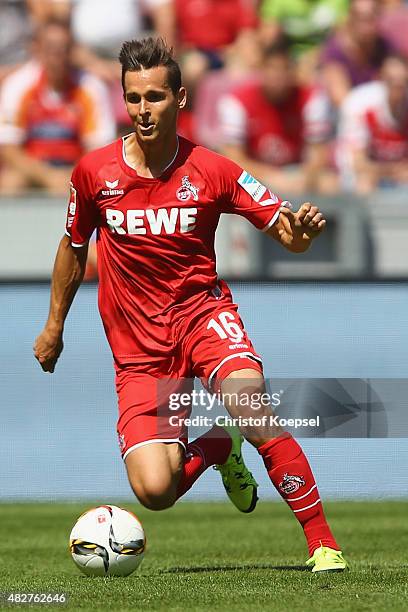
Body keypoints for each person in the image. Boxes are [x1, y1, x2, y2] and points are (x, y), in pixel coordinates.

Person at [34, 37, 348, 573]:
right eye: (133, 98)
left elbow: (287, 232)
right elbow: (74, 246)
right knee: (156, 490)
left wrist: (302, 235)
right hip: (139, 351)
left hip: (203, 319)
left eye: (155, 97)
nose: (143, 110)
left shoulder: (213, 169)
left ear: (180, 99)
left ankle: (323, 544)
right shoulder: (94, 173)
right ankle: (218, 448)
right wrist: (54, 325)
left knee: (254, 408)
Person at [0, 19, 115, 195]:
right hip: (31, 170)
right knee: (10, 183)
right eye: (51, 49)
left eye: (64, 49)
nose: (58, 56)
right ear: (37, 49)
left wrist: (70, 175)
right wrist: (47, 176)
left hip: (74, 168)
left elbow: (98, 149)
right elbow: (9, 149)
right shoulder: (18, 85)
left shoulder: (90, 87)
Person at [218, 40, 338, 194]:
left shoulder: (312, 99)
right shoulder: (237, 101)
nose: (278, 76)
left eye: (284, 69)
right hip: (255, 175)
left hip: (298, 174)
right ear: (261, 70)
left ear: (293, 71)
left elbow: (319, 153)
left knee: (330, 183)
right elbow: (233, 158)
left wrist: (305, 176)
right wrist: (271, 177)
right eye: (272, 69)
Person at [337, 55, 408, 192]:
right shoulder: (360, 105)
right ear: (380, 79)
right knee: (364, 184)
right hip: (363, 178)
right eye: (391, 81)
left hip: (399, 177)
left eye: (404, 81)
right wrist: (391, 170)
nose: (398, 87)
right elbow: (357, 164)